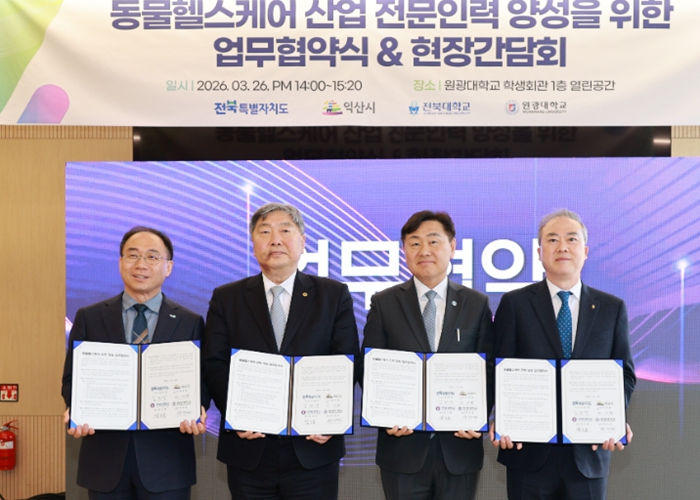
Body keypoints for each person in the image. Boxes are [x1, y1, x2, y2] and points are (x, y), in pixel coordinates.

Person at [202, 202, 360, 500]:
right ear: (253, 244)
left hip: (312, 447)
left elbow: (346, 361)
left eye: (285, 231)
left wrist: (328, 417)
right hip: (249, 447)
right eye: (265, 232)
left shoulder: (332, 295)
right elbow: (214, 363)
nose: (275, 240)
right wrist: (238, 414)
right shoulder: (227, 297)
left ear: (302, 241)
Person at [491, 209, 636, 500]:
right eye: (552, 239)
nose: (562, 247)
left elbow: (625, 374)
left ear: (585, 251)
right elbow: (499, 369)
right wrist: (502, 417)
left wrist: (612, 417)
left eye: (571, 239)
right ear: (539, 252)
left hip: (588, 453)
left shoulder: (612, 308)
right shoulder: (515, 304)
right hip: (527, 452)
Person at [61, 226, 207, 500]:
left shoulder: (190, 322)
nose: (141, 264)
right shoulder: (90, 317)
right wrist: (77, 408)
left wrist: (198, 407)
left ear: (168, 267)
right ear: (120, 262)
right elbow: (72, 378)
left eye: (152, 257)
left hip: (167, 462)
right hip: (105, 460)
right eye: (133, 255)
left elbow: (200, 381)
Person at [362, 210, 494, 500]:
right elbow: (368, 368)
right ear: (404, 250)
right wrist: (385, 416)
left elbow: (489, 370)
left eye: (433, 241)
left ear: (452, 247)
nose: (424, 251)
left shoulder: (476, 304)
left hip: (459, 448)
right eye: (414, 243)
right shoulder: (384, 303)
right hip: (402, 448)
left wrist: (478, 417)